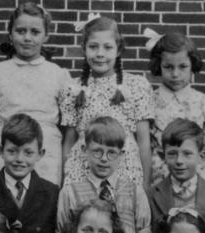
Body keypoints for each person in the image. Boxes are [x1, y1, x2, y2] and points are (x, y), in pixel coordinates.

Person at [61, 14, 154, 189]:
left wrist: (145, 184)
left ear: (118, 50)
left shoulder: (137, 85)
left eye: (108, 47)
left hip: (125, 169)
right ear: (84, 48)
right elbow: (69, 141)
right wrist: (63, 181)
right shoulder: (73, 89)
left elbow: (144, 142)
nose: (100, 54)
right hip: (82, 169)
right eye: (93, 47)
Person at [0, 0, 71, 185]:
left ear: (46, 36)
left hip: (45, 151)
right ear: (10, 33)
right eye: (21, 31)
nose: (27, 38)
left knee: (42, 203)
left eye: (35, 32)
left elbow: (65, 123)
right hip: (7, 147)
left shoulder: (58, 74)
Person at [56, 115, 152, 233]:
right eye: (97, 151)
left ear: (121, 155)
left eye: (111, 152)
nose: (104, 159)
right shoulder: (69, 192)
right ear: (84, 150)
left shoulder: (135, 192)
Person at [143, 29, 205, 185]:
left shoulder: (204, 102)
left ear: (192, 66)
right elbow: (144, 146)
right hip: (159, 178)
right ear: (158, 66)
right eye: (168, 67)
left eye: (183, 67)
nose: (175, 74)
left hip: (197, 179)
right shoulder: (147, 102)